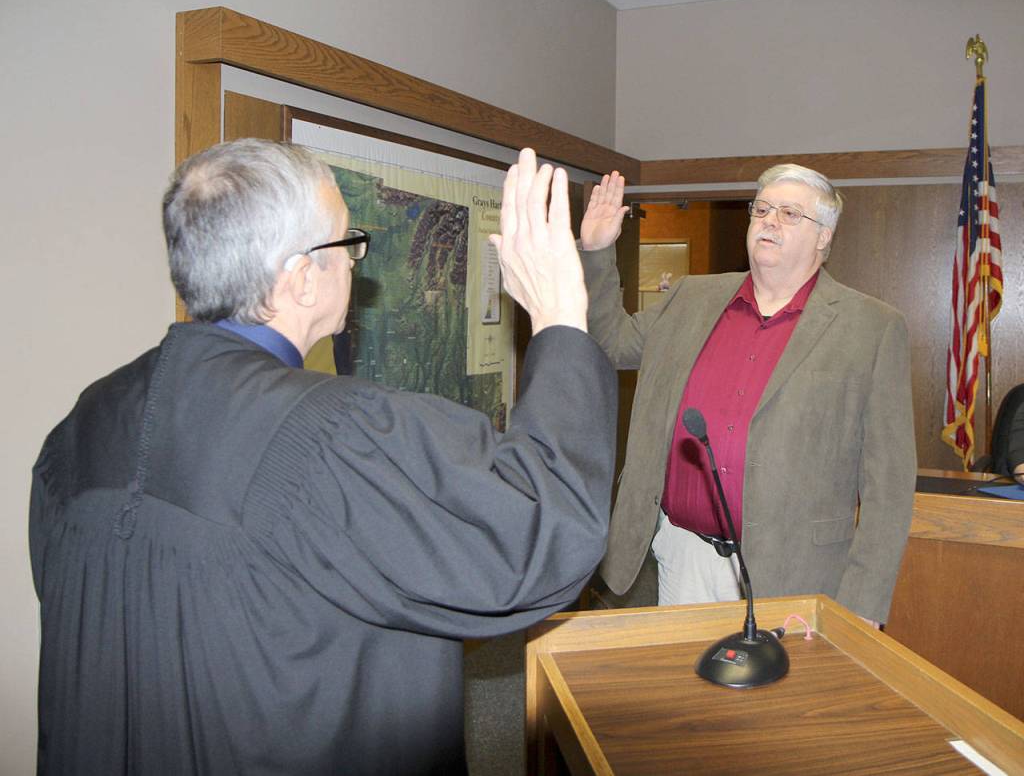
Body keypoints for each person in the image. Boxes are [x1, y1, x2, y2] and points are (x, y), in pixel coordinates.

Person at [29, 142, 616, 775]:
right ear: (302, 276)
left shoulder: (81, 425)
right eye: (348, 245)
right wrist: (560, 317)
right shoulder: (337, 437)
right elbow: (544, 534)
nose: (355, 266)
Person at [579, 163, 916, 626]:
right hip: (685, 556)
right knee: (687, 696)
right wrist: (597, 252)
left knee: (780, 700)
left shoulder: (872, 328)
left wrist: (860, 608)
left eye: (791, 214)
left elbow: (889, 491)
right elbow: (611, 344)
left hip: (797, 573)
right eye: (762, 209)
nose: (770, 221)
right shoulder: (690, 299)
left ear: (824, 237)